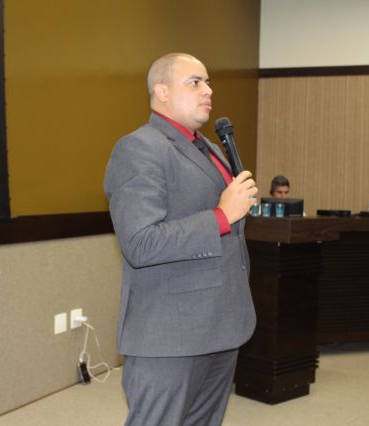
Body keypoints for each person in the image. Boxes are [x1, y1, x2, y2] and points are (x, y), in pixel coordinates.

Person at [104, 52, 258, 426]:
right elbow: (140, 243)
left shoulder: (211, 149)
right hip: (171, 334)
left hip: (221, 323)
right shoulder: (139, 148)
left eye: (208, 82)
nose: (208, 91)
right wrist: (221, 216)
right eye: (194, 82)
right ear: (162, 91)